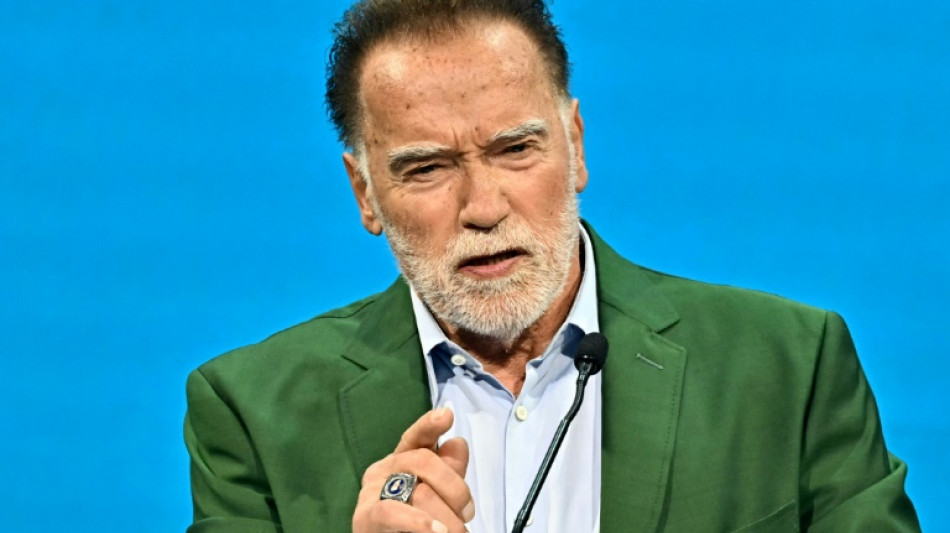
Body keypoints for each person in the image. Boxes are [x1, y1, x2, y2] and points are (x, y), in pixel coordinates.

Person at [183, 1, 921, 531]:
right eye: (427, 167)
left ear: (575, 144)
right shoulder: (253, 414)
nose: (483, 207)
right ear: (365, 193)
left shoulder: (789, 367)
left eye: (515, 149)